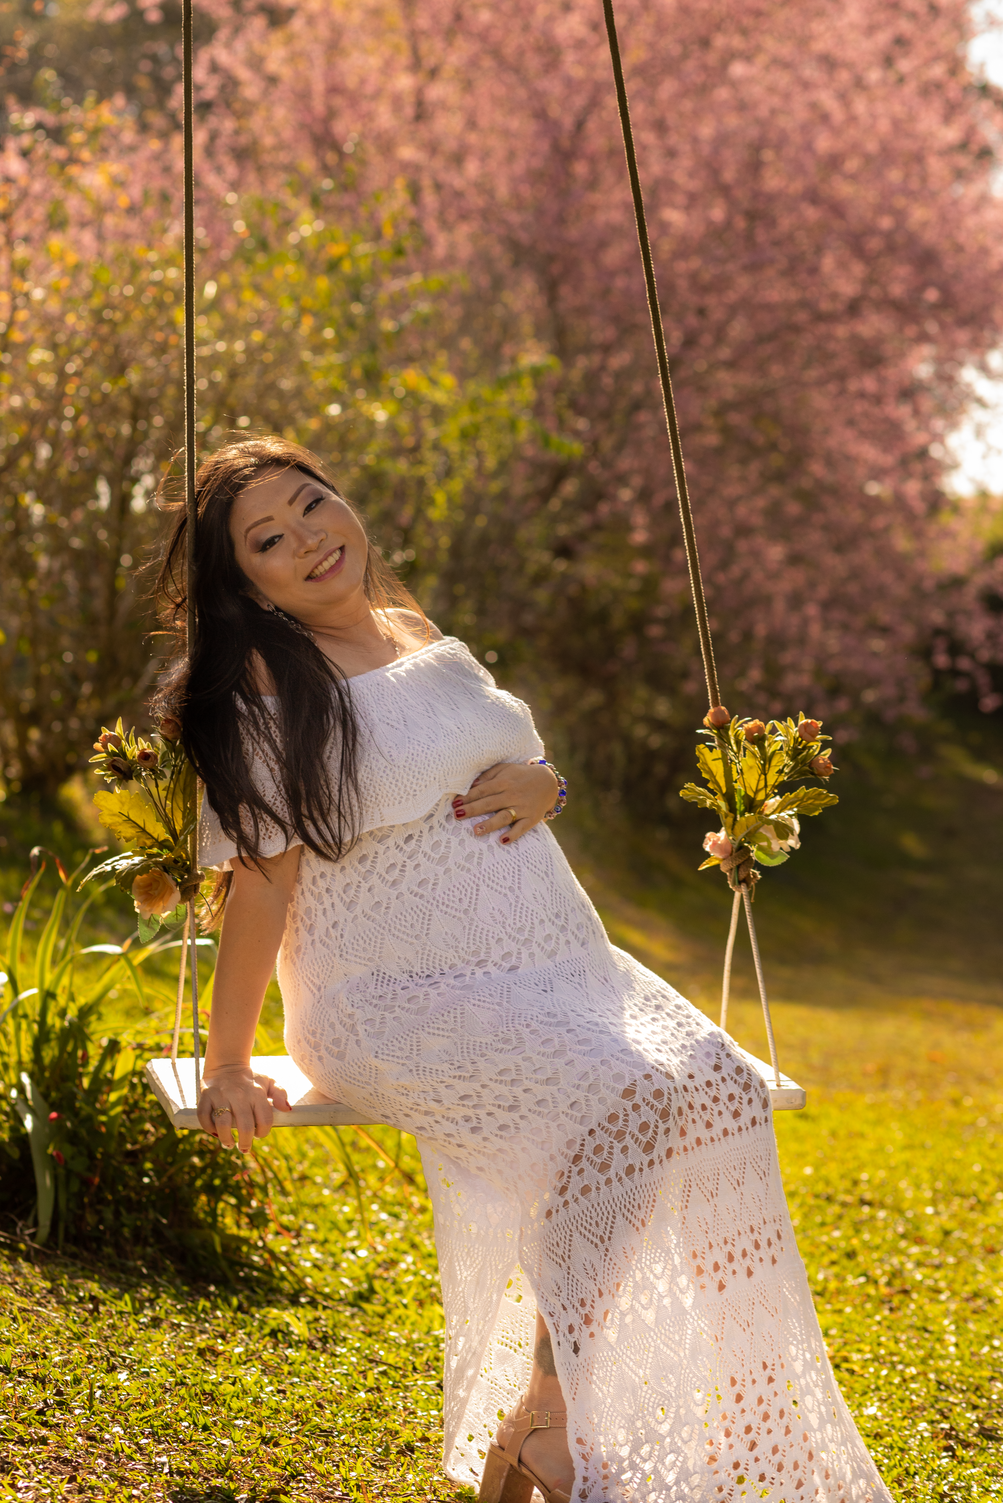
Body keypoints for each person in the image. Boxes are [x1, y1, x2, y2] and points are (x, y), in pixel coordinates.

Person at [155, 434, 891, 1503]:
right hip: (392, 999)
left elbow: (498, 758)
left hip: (559, 970)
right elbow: (262, 885)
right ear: (248, 585)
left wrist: (546, 783)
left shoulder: (414, 632)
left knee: (720, 1086)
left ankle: (709, 1420)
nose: (308, 540)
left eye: (312, 504)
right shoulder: (269, 682)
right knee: (633, 1100)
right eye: (268, 540)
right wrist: (227, 1061)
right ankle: (554, 1418)